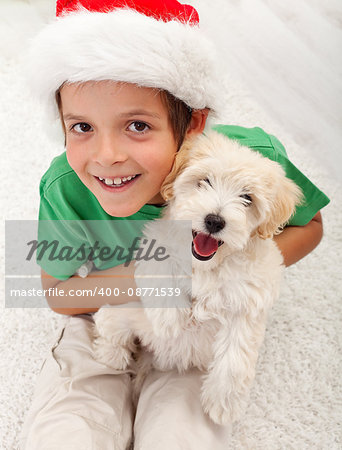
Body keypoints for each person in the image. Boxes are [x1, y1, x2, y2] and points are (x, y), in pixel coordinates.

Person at [19, 0, 330, 449]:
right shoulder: (66, 185)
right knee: (68, 426)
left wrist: (234, 276)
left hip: (211, 319)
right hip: (105, 301)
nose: (107, 155)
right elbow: (57, 294)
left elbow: (312, 225)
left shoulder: (254, 160)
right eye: (82, 126)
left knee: (184, 431)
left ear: (194, 126)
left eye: (139, 125)